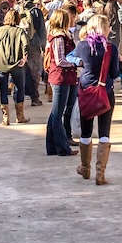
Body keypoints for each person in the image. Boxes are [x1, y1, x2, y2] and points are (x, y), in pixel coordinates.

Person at [74, 14, 119, 185]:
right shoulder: (110, 48)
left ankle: (85, 168)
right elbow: (114, 74)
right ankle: (100, 174)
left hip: (86, 90)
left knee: (86, 131)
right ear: (103, 28)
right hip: (105, 91)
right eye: (107, 26)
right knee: (104, 132)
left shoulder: (82, 45)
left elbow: (77, 63)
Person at [0, 9, 30, 126]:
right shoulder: (20, 31)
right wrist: (24, 58)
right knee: (20, 88)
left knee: (3, 90)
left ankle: (5, 118)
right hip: (16, 64)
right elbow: (26, 44)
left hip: (0, 63)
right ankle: (20, 116)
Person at [44, 8, 79, 157]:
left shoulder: (65, 35)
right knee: (57, 114)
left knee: (56, 113)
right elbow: (60, 61)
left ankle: (52, 146)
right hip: (60, 77)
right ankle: (62, 148)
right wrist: (77, 63)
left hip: (67, 77)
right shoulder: (58, 37)